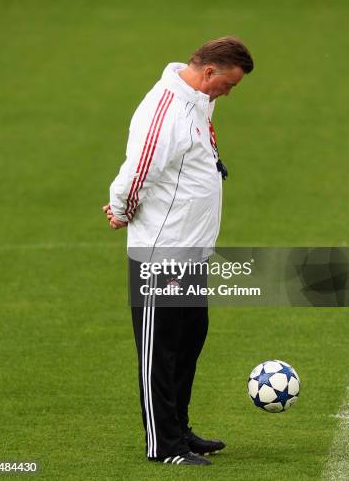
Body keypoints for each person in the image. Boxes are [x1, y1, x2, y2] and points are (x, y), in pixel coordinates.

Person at [103, 36, 254, 466]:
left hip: (192, 253)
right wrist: (120, 210)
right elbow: (138, 169)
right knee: (160, 350)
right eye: (229, 84)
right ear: (209, 72)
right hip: (161, 253)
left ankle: (180, 430)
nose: (229, 92)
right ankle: (164, 445)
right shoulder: (167, 110)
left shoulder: (197, 100)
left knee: (189, 339)